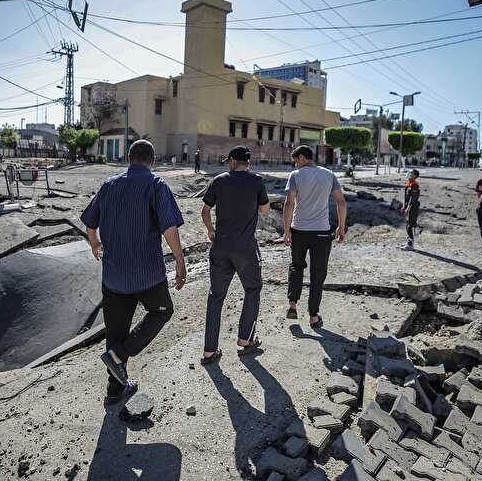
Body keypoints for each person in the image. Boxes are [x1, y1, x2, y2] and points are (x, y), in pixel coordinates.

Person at [80, 140, 187, 404]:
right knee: (162, 311)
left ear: (129, 159)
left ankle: (114, 391)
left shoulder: (109, 185)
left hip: (114, 275)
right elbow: (169, 228)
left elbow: (89, 223)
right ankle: (119, 357)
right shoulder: (156, 185)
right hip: (147, 274)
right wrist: (180, 262)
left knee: (115, 331)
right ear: (153, 161)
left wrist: (94, 243)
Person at [199, 145, 270, 365]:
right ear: (247, 163)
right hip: (245, 248)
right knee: (253, 289)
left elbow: (205, 211)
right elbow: (265, 210)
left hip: (220, 246)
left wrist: (211, 230)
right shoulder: (256, 180)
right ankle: (244, 340)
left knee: (216, 296)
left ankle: (209, 350)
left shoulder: (219, 181)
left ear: (231, 161)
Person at [284, 145, 346, 327]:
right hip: (321, 231)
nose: (296, 165)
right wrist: (341, 227)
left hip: (299, 230)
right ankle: (313, 316)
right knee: (317, 273)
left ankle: (293, 304)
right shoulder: (329, 174)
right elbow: (341, 201)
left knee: (296, 266)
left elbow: (289, 204)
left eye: (296, 161)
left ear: (302, 157)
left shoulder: (296, 176)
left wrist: (286, 230)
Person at [400, 169, 420, 251]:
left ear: (415, 176)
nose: (409, 174)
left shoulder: (414, 185)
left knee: (411, 225)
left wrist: (409, 207)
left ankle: (410, 244)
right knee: (408, 224)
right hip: (409, 206)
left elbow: (413, 197)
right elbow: (407, 197)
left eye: (411, 173)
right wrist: (404, 206)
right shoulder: (409, 184)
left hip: (413, 207)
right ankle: (409, 241)